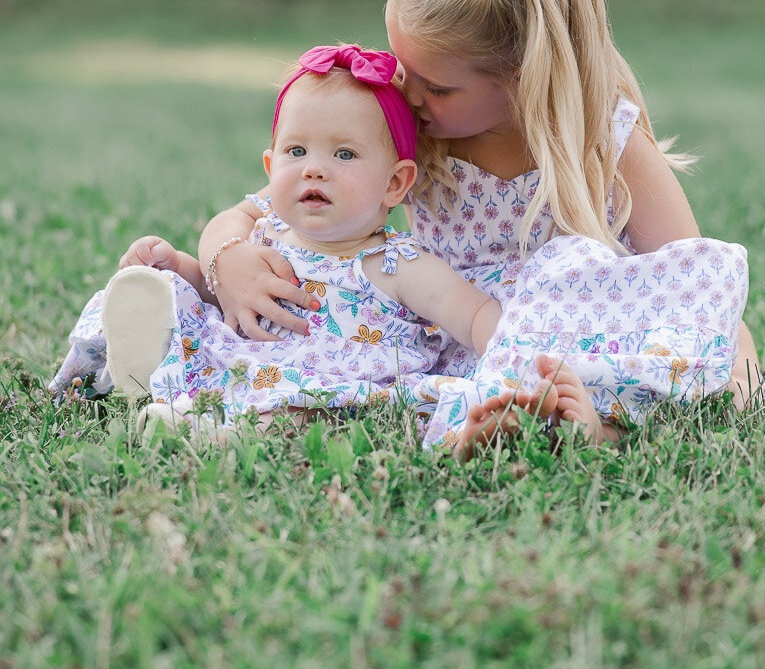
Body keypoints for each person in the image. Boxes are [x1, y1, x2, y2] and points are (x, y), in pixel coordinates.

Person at [198, 0, 760, 452]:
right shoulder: (411, 128)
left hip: (567, 340)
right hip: (455, 339)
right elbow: (269, 206)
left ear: (524, 75)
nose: (406, 93)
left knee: (579, 282)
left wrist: (740, 377)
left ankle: (584, 421)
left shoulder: (605, 143)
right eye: (402, 65)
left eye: (436, 86)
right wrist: (227, 256)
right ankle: (497, 419)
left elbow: (698, 281)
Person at [50, 45, 503, 441]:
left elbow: (476, 314)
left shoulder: (400, 266)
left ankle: (214, 432)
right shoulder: (264, 234)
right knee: (173, 295)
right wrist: (177, 267)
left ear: (395, 183)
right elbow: (221, 297)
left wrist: (509, 360)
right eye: (297, 151)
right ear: (270, 166)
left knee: (301, 413)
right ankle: (147, 366)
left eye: (344, 154)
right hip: (240, 360)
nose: (314, 169)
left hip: (323, 389)